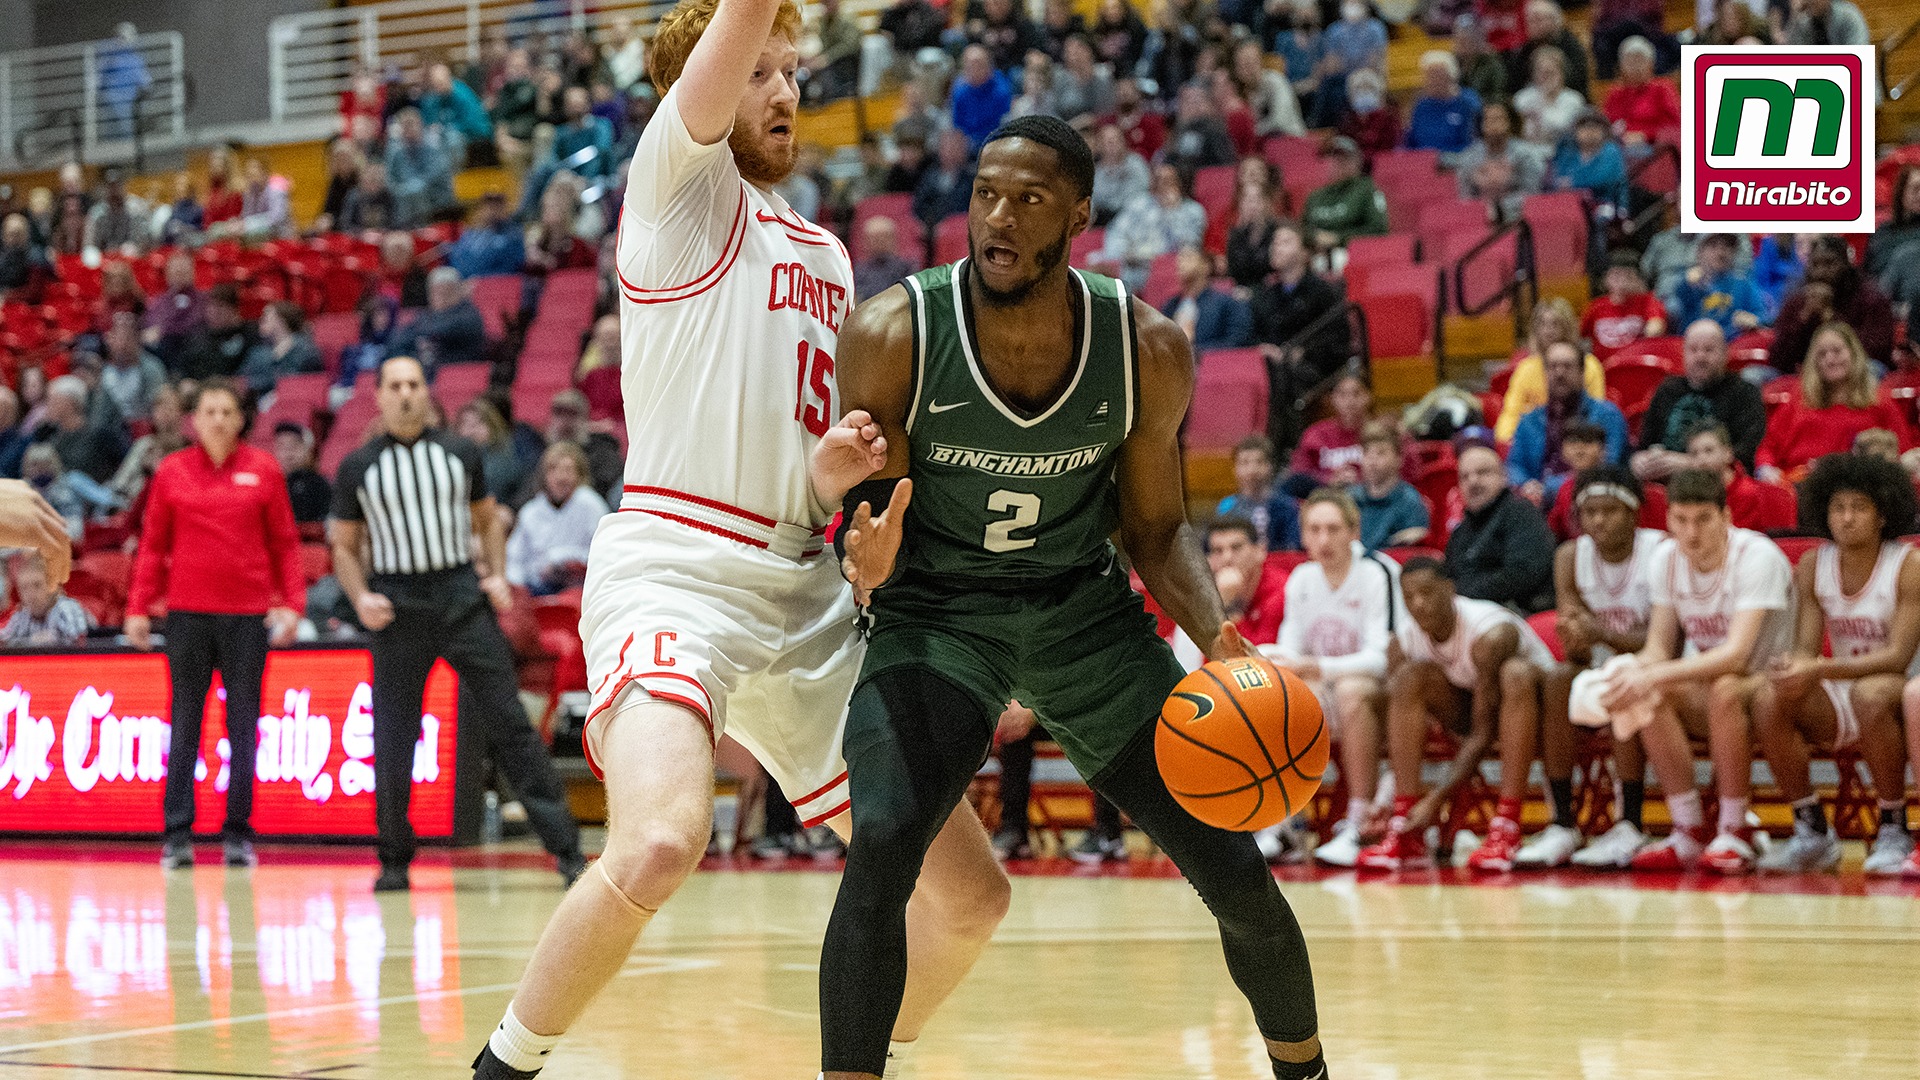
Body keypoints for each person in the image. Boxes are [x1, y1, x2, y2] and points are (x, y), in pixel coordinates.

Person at [470, 2, 1010, 1074]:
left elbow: (805, 465)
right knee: (665, 839)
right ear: (700, 92)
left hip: (802, 589)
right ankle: (501, 1067)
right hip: (677, 568)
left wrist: (845, 500)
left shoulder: (823, 251)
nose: (783, 90)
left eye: (792, 71)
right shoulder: (675, 190)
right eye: (757, 69)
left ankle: (859, 1055)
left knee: (968, 898)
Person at [823, 112, 1328, 1080]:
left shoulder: (1145, 347)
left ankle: (1306, 1070)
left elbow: (1153, 529)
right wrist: (867, 557)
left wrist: (1220, 637)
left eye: (1029, 199)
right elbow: (866, 510)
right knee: (882, 841)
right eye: (985, 195)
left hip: (1085, 621)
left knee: (1235, 873)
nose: (998, 219)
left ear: (1082, 215)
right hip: (939, 619)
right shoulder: (893, 331)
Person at [329, 357, 584, 896]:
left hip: (460, 598)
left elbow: (487, 519)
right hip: (398, 608)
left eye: (414, 385)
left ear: (428, 394)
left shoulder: (460, 454)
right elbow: (344, 546)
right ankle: (395, 860)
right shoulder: (357, 467)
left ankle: (566, 851)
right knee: (394, 737)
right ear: (378, 397)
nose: (405, 395)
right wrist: (360, 595)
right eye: (394, 386)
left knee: (511, 723)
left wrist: (493, 574)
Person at [124, 379, 303, 870]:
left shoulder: (263, 470)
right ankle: (177, 833)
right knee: (185, 722)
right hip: (187, 616)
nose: (219, 419)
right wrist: (138, 607)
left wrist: (292, 603)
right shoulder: (172, 471)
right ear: (194, 420)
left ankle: (238, 834)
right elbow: (153, 545)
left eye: (227, 411)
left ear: (240, 420)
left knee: (244, 726)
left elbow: (286, 543)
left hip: (247, 616)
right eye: (210, 411)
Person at [1594, 469, 1794, 873]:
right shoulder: (1666, 559)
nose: (1691, 532)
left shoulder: (1757, 557)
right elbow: (1657, 647)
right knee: (1643, 689)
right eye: (1681, 520)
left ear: (1726, 517)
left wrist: (1653, 673)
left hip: (1773, 689)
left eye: (1703, 519)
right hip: (1715, 687)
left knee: (1722, 686)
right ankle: (1687, 829)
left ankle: (1734, 828)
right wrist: (1625, 672)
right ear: (1667, 521)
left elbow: (1736, 655)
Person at [1752, 454, 1920, 874]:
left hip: (1896, 691)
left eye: (1859, 508)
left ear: (1883, 514)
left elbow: (1898, 657)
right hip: (1842, 689)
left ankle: (1893, 825)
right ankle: (1810, 827)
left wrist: (1816, 668)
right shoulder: (1813, 564)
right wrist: (1792, 666)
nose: (1846, 518)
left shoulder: (1907, 565)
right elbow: (1807, 650)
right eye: (1838, 508)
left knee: (1870, 692)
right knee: (1769, 696)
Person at [1356, 556, 1557, 869]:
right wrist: (1385, 797)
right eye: (1409, 597)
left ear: (1450, 590)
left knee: (1515, 674)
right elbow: (1402, 728)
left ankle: (1507, 825)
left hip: (1545, 714)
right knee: (1409, 678)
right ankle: (1405, 826)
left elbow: (1483, 732)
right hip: (1474, 711)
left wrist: (1437, 798)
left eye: (1427, 593)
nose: (1418, 604)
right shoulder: (1406, 640)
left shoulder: (1489, 635)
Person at [1262, 489, 1403, 867]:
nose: (1323, 540)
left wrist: (1319, 668)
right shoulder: (1302, 579)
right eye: (1315, 530)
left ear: (1354, 531)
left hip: (1388, 695)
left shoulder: (1379, 572)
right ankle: (1285, 821)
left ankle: (1358, 820)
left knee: (1351, 688)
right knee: (1283, 693)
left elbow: (1380, 658)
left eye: (1333, 529)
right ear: (1304, 536)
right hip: (1326, 690)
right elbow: (1291, 651)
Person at [1546, 466, 1666, 869]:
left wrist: (1598, 632)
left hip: (1655, 672)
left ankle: (1630, 821)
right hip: (1596, 673)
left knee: (1622, 674)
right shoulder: (1569, 556)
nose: (1597, 520)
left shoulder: (1660, 552)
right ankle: (1562, 822)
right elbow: (1576, 646)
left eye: (1609, 511)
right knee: (1558, 678)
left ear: (1633, 512)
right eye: (1589, 512)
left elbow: (1665, 643)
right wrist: (1579, 637)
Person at [1757, 323, 1913, 484]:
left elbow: (1903, 452)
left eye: (1837, 351)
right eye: (1822, 354)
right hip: (1799, 484)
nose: (1830, 359)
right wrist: (1766, 469)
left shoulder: (1880, 402)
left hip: (1859, 486)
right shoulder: (1798, 400)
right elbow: (1768, 448)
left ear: (1854, 354)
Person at [1631, 320, 1768, 481]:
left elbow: (1746, 456)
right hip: (1666, 482)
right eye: (1693, 350)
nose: (1700, 357)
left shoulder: (1745, 393)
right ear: (1683, 354)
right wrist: (1638, 460)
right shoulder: (1667, 390)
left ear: (1725, 354)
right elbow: (1645, 444)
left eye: (1709, 350)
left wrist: (1691, 464)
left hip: (1718, 486)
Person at [1507, 341, 1630, 505]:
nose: (1559, 373)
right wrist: (1526, 485)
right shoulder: (1529, 421)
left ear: (1582, 372)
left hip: (1591, 502)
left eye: (1567, 366)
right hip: (1535, 505)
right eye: (1553, 366)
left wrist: (1548, 488)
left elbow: (1608, 467)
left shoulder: (1607, 415)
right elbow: (1514, 465)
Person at [1251, 221, 1349, 428]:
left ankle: (1284, 449)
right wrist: (1263, 348)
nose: (1276, 247)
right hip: (1272, 364)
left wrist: (1301, 351)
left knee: (1284, 377)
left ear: (1305, 252)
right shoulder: (1265, 294)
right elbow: (1255, 332)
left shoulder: (1323, 291)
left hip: (1313, 367)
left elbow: (1337, 337)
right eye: (1274, 242)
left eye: (1285, 242)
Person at [1447, 441, 1558, 612]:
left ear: (1504, 476)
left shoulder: (1521, 513)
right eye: (1465, 476)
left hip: (1519, 613)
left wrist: (1465, 595)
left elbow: (1523, 573)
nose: (1473, 481)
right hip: (1469, 614)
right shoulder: (1460, 532)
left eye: (1483, 472)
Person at [1766, 235, 1896, 375]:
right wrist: (1803, 318)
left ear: (1846, 264)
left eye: (1829, 264)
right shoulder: (1797, 300)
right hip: (1809, 372)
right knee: (1754, 375)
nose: (1821, 272)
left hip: (1854, 373)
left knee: (1872, 369)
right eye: (1815, 264)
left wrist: (1830, 316)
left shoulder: (1871, 298)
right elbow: (1777, 360)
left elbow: (1877, 352)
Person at [1492, 297, 1604, 445]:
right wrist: (1505, 441)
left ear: (1567, 327)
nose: (1548, 331)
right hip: (1534, 440)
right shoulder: (1526, 368)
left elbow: (1595, 411)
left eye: (1555, 324)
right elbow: (1511, 413)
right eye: (1542, 324)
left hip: (1577, 439)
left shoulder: (1589, 365)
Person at [506, 442, 609, 596]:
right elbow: (514, 560)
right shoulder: (531, 512)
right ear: (544, 476)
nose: (561, 477)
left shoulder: (591, 505)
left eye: (568, 470)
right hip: (538, 590)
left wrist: (561, 559)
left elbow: (605, 555)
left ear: (579, 475)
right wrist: (518, 591)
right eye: (553, 470)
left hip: (582, 588)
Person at [1546, 419, 1669, 539]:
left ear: (1604, 449)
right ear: (1562, 450)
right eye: (1572, 442)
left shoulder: (1627, 486)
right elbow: (1555, 532)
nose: (1580, 450)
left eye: (1588, 442)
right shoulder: (1562, 489)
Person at [1100, 161, 1206, 293]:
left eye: (1168, 181)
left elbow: (1189, 248)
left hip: (1167, 272)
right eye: (1158, 179)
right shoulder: (1139, 204)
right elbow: (1116, 233)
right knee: (1098, 269)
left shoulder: (1193, 211)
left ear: (1181, 183)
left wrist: (1172, 212)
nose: (1162, 185)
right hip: (1132, 267)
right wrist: (1122, 255)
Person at [1687, 420, 1797, 533]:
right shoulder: (1687, 498)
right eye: (1694, 454)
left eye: (1708, 451)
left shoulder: (1756, 495)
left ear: (1728, 453)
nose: (1701, 460)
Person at [1663, 233, 1769, 339]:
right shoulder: (1688, 283)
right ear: (1699, 252)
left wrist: (1752, 320)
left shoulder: (1744, 284)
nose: (1720, 252)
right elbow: (1672, 313)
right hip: (1697, 347)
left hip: (1733, 346)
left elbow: (1762, 318)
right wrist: (1686, 283)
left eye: (1727, 246)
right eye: (1713, 246)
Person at [1453, 99, 1547, 218]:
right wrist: (1482, 210)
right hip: (1478, 218)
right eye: (1487, 120)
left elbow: (1532, 194)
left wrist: (1500, 207)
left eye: (1498, 119)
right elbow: (1465, 196)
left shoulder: (1526, 154)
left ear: (1510, 122)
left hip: (1518, 217)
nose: (1493, 125)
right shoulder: (1470, 156)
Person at [386, 267, 488, 370]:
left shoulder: (469, 313)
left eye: (446, 291)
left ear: (458, 291)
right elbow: (399, 339)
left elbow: (441, 329)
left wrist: (419, 334)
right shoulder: (425, 315)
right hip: (425, 371)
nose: (439, 296)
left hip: (459, 372)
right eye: (434, 291)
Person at [1350, 421, 1429, 549]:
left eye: (1381, 453)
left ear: (1399, 459)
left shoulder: (1410, 502)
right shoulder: (1350, 498)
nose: (1372, 460)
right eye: (1367, 452)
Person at [1216, 434, 1301, 551]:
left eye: (1259, 462)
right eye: (1245, 462)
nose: (1252, 470)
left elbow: (1292, 547)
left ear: (1270, 466)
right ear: (1235, 469)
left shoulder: (1287, 506)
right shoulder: (1226, 506)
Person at [1302, 136, 1388, 250]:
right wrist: (1314, 239)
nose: (1337, 163)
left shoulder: (1367, 189)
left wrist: (1338, 239)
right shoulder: (1315, 196)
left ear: (1357, 161)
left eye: (1344, 158)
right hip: (1316, 254)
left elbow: (1378, 229)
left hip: (1354, 253)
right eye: (1333, 157)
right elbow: (1302, 230)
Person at [1161, 246, 1251, 352]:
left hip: (1211, 364)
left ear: (1206, 265)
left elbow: (1235, 342)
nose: (1181, 263)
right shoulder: (1171, 305)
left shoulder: (1227, 303)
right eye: (1179, 259)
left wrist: (1196, 351)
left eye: (1188, 257)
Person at [1581, 250, 1667, 360]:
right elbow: (1580, 336)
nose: (1621, 281)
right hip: (1603, 368)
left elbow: (1656, 329)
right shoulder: (1596, 307)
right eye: (1616, 275)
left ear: (1637, 279)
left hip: (1634, 365)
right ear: (1606, 279)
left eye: (1628, 276)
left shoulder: (1648, 301)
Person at [1602, 37, 1679, 151]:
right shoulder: (1615, 92)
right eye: (1629, 61)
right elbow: (1606, 124)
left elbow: (1674, 126)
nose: (1635, 66)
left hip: (1654, 147)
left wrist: (1645, 135)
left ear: (1651, 64)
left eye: (1640, 60)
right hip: (1619, 146)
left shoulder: (1663, 88)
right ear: (1621, 66)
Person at [384, 108, 456, 227]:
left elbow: (431, 177)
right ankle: (406, 231)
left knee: (416, 191)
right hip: (406, 198)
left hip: (436, 196)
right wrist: (399, 190)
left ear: (421, 125)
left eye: (411, 124)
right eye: (404, 126)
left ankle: (420, 230)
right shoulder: (395, 150)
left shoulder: (434, 145)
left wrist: (407, 189)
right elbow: (390, 179)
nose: (408, 129)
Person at [1, 553, 92, 645]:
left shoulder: (68, 607)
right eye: (24, 587)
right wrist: (32, 641)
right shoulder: (23, 614)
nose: (30, 594)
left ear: (54, 587)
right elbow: (3, 641)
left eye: (37, 585)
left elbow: (74, 642)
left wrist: (29, 642)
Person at [239, 302, 325, 396]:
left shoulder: (305, 348)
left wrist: (252, 383)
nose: (261, 320)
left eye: (266, 317)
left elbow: (291, 379)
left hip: (291, 396)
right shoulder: (258, 351)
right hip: (257, 396)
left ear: (281, 320)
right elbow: (242, 376)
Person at [1510, 1, 1592, 97]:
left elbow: (1578, 80)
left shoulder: (1571, 46)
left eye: (1538, 19)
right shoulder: (1525, 49)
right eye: (1530, 20)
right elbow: (1516, 82)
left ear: (1554, 20)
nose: (1534, 25)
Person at [1406, 50, 1482, 153]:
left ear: (1451, 76)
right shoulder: (1421, 106)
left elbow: (1471, 144)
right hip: (1422, 162)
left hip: (1456, 160)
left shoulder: (1465, 104)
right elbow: (1410, 141)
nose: (1432, 81)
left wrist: (1441, 157)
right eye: (1428, 76)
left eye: (1438, 75)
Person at [99, 311, 168, 423]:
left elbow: (156, 404)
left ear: (137, 341)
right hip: (109, 427)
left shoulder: (152, 368)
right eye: (118, 338)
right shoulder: (102, 369)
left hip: (141, 426)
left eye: (128, 338)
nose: (123, 344)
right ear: (110, 340)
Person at [1511, 46, 1586, 148]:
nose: (1545, 77)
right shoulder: (1522, 98)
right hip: (1528, 150)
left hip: (1562, 151)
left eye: (1550, 72)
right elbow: (1516, 131)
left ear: (1562, 73)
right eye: (1541, 72)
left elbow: (1566, 129)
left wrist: (1545, 102)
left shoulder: (1574, 100)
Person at [1232, 38, 1304, 138]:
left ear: (1261, 62)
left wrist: (1250, 131)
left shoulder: (1276, 81)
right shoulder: (1238, 91)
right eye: (1241, 65)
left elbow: (1279, 121)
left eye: (1251, 63)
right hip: (1259, 144)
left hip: (1288, 140)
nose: (1248, 70)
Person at [447, 192, 527, 278]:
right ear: (481, 210)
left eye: (497, 206)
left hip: (497, 284)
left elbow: (511, 266)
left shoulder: (513, 236)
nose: (492, 211)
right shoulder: (470, 235)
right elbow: (457, 260)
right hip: (466, 282)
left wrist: (480, 280)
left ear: (504, 209)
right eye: (488, 206)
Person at [950, 44, 1013, 148]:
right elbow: (956, 124)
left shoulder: (1001, 90)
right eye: (969, 65)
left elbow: (1003, 125)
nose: (973, 69)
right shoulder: (959, 88)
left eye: (978, 65)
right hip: (966, 143)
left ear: (989, 66)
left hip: (994, 142)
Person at [914, 128, 977, 231]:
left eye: (956, 147)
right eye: (947, 147)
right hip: (931, 230)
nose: (951, 152)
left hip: (961, 230)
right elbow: (919, 205)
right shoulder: (930, 175)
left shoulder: (973, 178)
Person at [272, 422, 332, 525]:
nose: (287, 454)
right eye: (281, 447)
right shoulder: (269, 485)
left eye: (293, 446)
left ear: (309, 450)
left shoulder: (320, 485)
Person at [1337, 68, 1401, 161]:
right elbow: (1343, 147)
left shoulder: (1389, 120)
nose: (1363, 93)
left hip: (1380, 166)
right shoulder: (1347, 121)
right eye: (1358, 89)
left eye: (1369, 88)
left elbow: (1389, 150)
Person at [853, 216, 917, 303]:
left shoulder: (906, 268)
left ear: (894, 239)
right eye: (874, 238)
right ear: (865, 241)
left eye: (884, 237)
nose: (879, 242)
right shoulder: (857, 271)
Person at [1786, 0, 1870, 45]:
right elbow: (1792, 56)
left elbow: (1857, 60)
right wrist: (1795, 15)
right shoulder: (1804, 22)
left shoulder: (1848, 16)